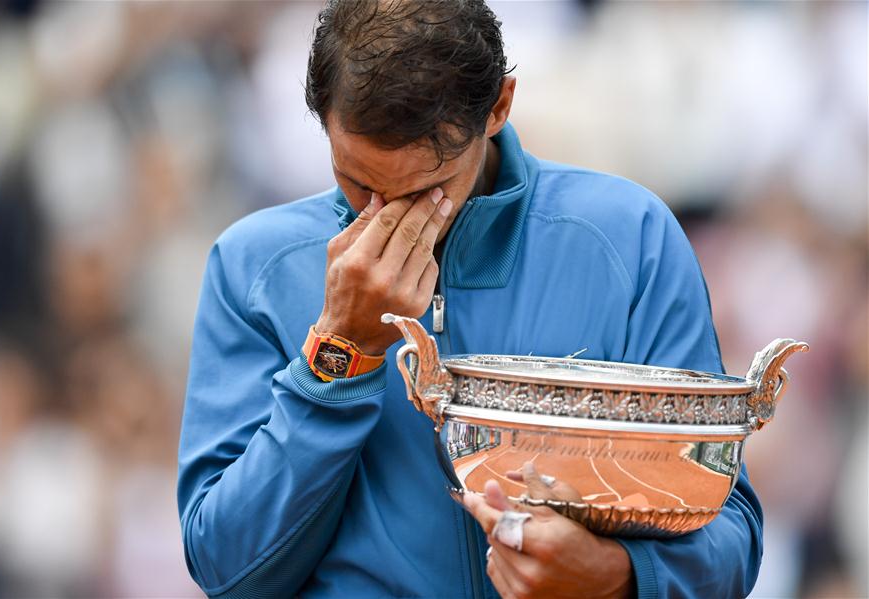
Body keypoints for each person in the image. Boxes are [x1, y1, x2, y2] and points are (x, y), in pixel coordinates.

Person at [177, 1, 763, 597]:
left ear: (499, 107)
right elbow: (228, 569)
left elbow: (728, 534)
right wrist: (339, 352)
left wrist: (616, 575)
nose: (389, 218)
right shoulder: (253, 265)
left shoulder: (629, 237)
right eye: (358, 182)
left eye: (429, 189)